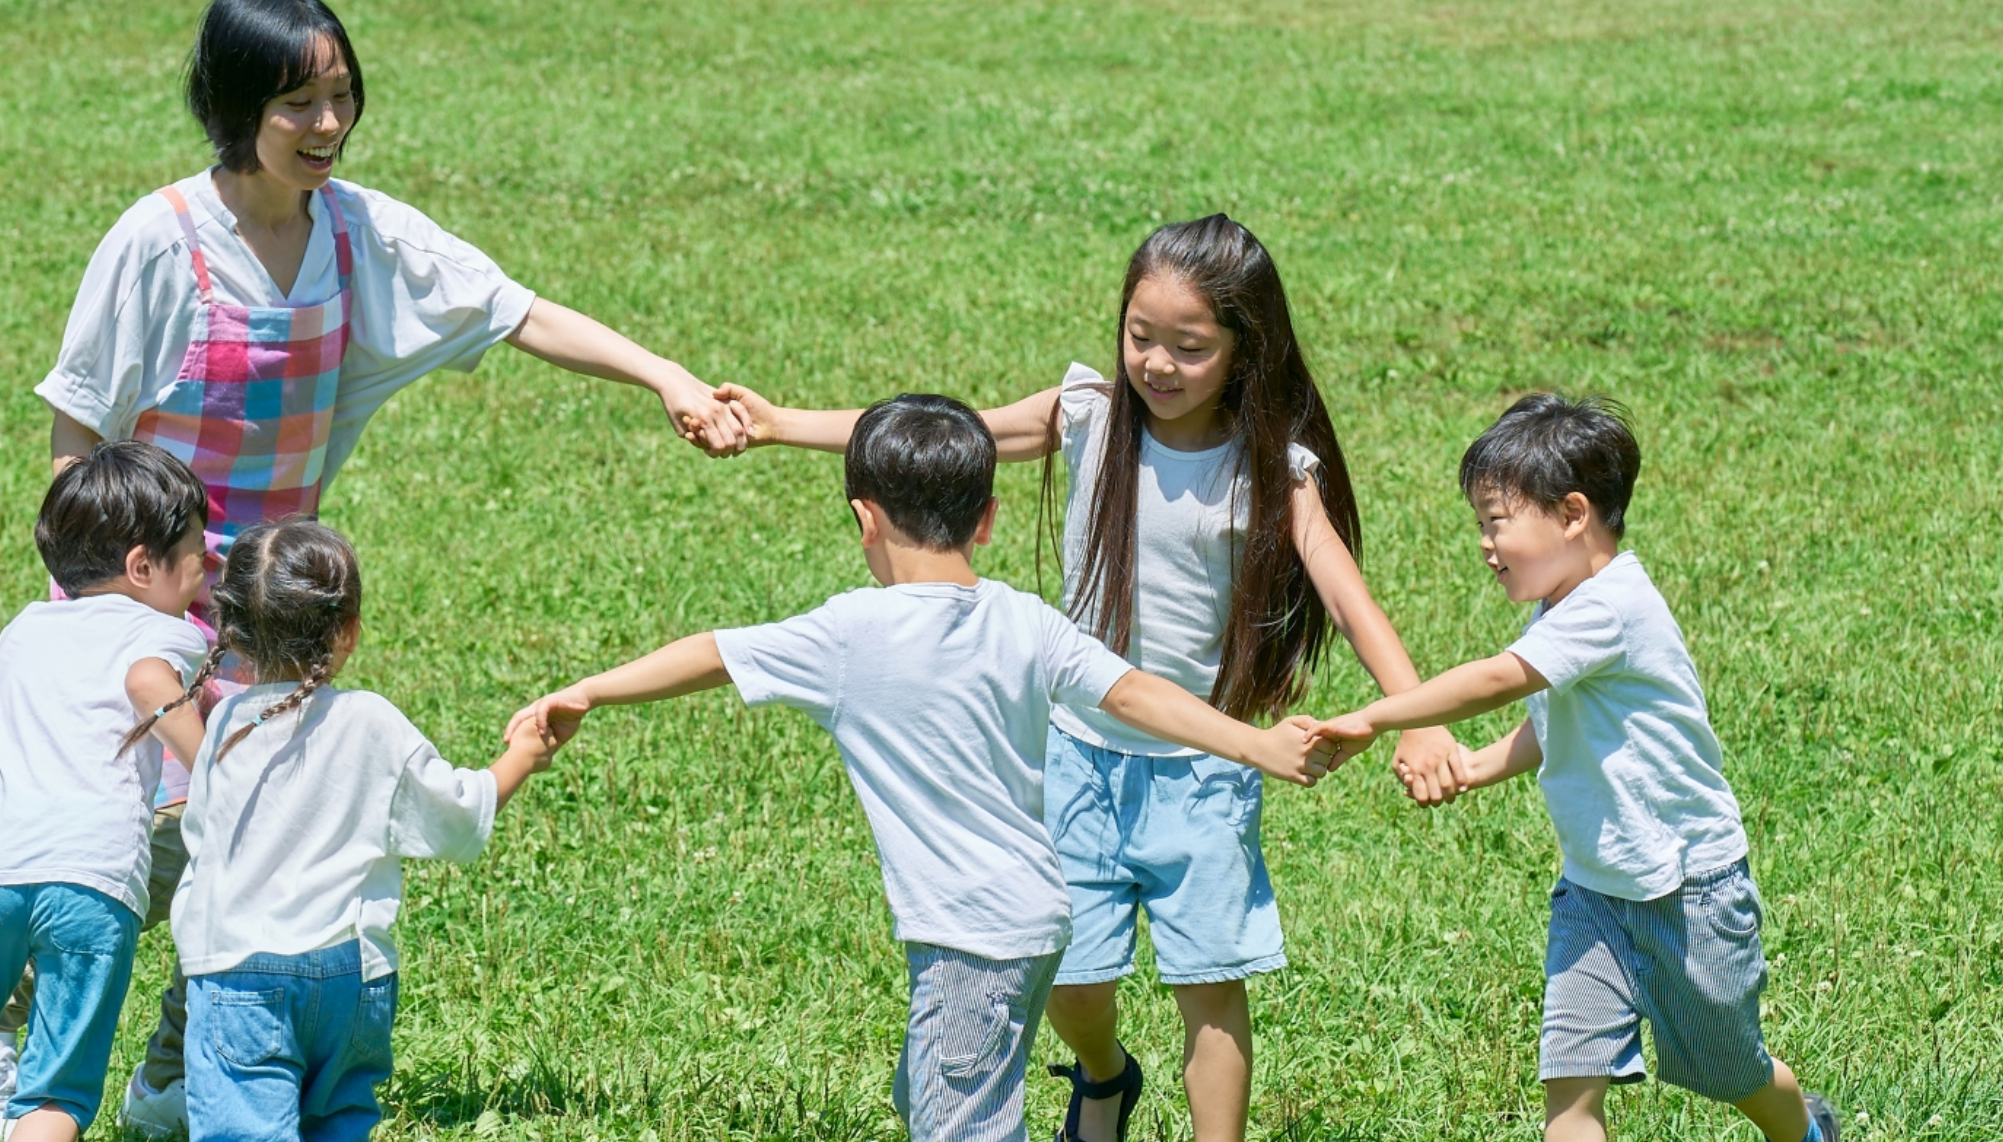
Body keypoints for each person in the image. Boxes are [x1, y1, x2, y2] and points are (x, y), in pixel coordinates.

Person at [0, 0, 750, 1134]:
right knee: (102, 848)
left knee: (253, 840)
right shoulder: (160, 238)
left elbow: (513, 310)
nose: (329, 121)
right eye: (298, 103)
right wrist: (87, 606)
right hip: (140, 606)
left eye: (342, 94)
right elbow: (79, 433)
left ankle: (182, 1067)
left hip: (271, 609)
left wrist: (665, 374)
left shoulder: (354, 233)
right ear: (240, 108)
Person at [713, 215, 1463, 1142]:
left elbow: (1349, 600)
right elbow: (944, 442)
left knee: (1208, 981)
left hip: (1204, 761)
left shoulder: (1269, 470)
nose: (1157, 364)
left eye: (1190, 348)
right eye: (1140, 336)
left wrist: (1417, 718)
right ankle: (1105, 1077)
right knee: (1072, 975)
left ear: (1244, 351)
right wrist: (781, 425)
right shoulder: (1090, 415)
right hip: (1074, 751)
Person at [506, 394, 1329, 1142]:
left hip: (968, 935)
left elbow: (712, 653)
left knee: (960, 1125)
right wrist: (1254, 744)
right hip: (1037, 919)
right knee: (929, 1092)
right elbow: (1138, 694)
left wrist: (591, 691)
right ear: (989, 519)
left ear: (865, 520)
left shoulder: (849, 632)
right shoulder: (1026, 622)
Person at [1306, 394, 1841, 1142]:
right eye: (1481, 525)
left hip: (1686, 890)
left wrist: (1378, 714)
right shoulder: (1561, 605)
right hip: (1593, 890)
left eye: (1497, 521)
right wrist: (1480, 765)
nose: (1485, 544)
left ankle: (1805, 1128)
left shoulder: (1611, 606)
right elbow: (1551, 720)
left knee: (1732, 1071)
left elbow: (1502, 680)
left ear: (1572, 514)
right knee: (1570, 1084)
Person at [160, 519, 557, 1141]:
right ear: (346, 632)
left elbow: (205, 846)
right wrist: (521, 759)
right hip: (352, 978)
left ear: (232, 631)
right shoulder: (370, 720)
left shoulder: (225, 723)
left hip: (239, 974)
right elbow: (454, 820)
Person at [0, 442, 216, 1142]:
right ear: (142, 567)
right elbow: (149, 687)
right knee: (56, 1089)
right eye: (196, 551)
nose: (205, 567)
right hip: (93, 880)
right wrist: (218, 771)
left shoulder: (23, 630)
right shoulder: (171, 634)